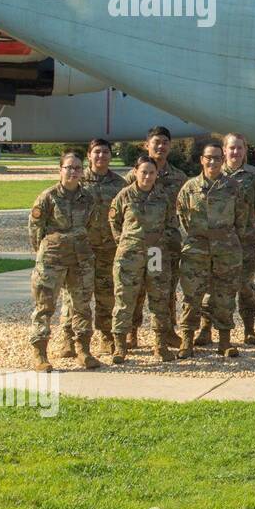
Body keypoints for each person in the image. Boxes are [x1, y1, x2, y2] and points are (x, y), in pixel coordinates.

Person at [28, 152, 101, 372]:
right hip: (52, 260)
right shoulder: (48, 197)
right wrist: (46, 252)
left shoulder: (87, 198)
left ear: (82, 171)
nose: (73, 172)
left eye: (78, 168)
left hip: (80, 260)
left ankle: (83, 350)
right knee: (45, 306)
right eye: (69, 167)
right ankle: (40, 353)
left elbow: (90, 225)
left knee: (82, 306)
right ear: (60, 170)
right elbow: (35, 230)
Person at [176, 139, 249, 358]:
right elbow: (182, 216)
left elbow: (242, 219)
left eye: (218, 158)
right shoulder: (189, 188)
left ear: (223, 159)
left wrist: (223, 237)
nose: (213, 162)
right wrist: (200, 237)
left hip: (226, 251)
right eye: (209, 158)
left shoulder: (233, 188)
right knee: (192, 296)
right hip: (196, 251)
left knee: (225, 295)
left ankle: (224, 342)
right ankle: (187, 340)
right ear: (202, 160)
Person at [122, 126, 188, 348]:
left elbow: (188, 208)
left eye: (165, 142)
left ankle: (166, 331)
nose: (160, 146)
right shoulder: (133, 176)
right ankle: (131, 332)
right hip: (138, 244)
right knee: (136, 287)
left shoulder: (179, 177)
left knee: (165, 288)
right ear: (146, 144)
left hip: (164, 245)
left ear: (170, 146)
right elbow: (118, 212)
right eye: (156, 142)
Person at [109, 155, 179, 364]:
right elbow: (114, 222)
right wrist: (127, 243)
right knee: (125, 299)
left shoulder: (163, 197)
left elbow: (170, 224)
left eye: (152, 172)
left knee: (159, 298)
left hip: (156, 254)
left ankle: (160, 345)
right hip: (130, 254)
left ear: (157, 174)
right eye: (144, 172)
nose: (147, 176)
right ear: (136, 172)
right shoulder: (124, 196)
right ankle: (120, 346)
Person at [60, 138, 125, 358]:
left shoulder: (119, 184)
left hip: (108, 248)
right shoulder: (78, 179)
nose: (101, 156)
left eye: (105, 152)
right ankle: (69, 338)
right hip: (80, 250)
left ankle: (106, 336)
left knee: (107, 295)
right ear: (89, 155)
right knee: (75, 296)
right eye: (97, 152)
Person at [221, 133, 255, 345]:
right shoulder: (214, 173)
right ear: (224, 150)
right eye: (231, 148)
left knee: (246, 285)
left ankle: (249, 330)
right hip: (220, 241)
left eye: (239, 148)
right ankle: (207, 329)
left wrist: (245, 222)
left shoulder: (254, 175)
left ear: (245, 151)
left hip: (246, 240)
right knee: (217, 286)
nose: (235, 152)